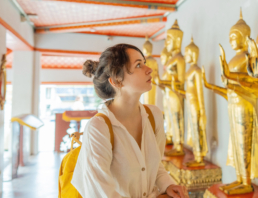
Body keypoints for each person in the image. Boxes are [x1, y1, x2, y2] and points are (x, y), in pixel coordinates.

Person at [71, 44, 189, 198]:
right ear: (116, 81)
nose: (149, 69)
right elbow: (100, 194)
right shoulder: (98, 128)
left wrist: (168, 185)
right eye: (138, 65)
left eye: (144, 63)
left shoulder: (154, 116)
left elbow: (154, 165)